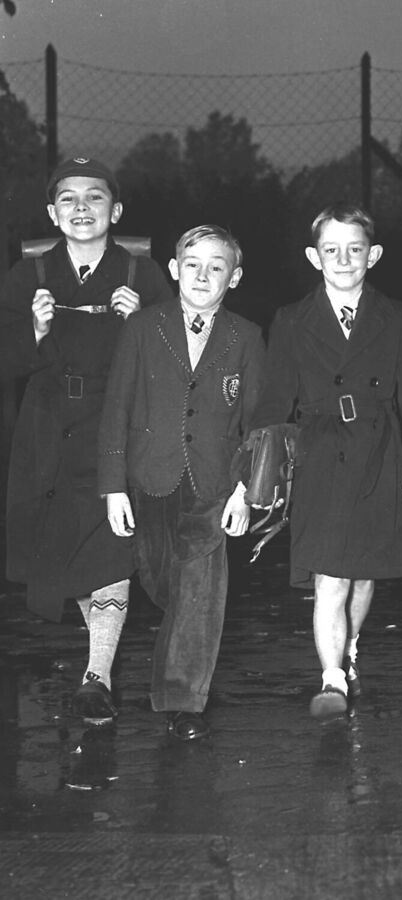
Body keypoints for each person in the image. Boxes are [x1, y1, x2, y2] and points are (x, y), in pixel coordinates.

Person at [0, 157, 173, 725]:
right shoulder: (27, 274)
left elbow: (176, 355)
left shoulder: (141, 274)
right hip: (47, 429)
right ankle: (95, 657)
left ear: (115, 211)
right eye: (68, 199)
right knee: (64, 546)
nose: (81, 208)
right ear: (52, 213)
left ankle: (97, 674)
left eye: (94, 198)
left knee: (110, 544)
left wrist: (142, 321)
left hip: (114, 425)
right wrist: (35, 332)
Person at [251, 203, 402, 720]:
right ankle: (331, 677)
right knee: (330, 576)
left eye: (354, 249)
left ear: (373, 255)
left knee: (363, 574)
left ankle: (349, 647)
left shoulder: (396, 317)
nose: (343, 259)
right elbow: (272, 404)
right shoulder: (291, 321)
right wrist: (259, 474)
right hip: (319, 457)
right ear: (314, 257)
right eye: (331, 250)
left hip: (381, 453)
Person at [97, 225, 265, 740]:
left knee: (201, 588)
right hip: (152, 477)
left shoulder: (246, 336)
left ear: (233, 278)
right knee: (160, 578)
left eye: (217, 266)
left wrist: (246, 490)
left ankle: (180, 700)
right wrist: (113, 487)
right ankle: (182, 650)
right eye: (192, 264)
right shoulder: (144, 329)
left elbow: (256, 421)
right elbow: (116, 409)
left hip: (216, 482)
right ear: (173, 269)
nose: (203, 275)